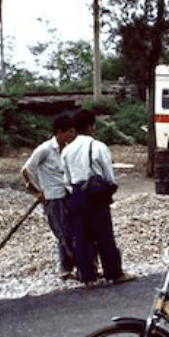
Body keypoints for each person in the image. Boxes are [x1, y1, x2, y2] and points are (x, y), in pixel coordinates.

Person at [63, 110, 132, 286]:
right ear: (90, 126)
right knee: (104, 235)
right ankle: (114, 274)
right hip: (95, 194)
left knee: (81, 236)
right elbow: (109, 176)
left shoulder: (67, 150)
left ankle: (87, 276)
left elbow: (66, 180)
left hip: (76, 194)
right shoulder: (98, 147)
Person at [22, 113, 77, 280]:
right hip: (52, 197)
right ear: (59, 132)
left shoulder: (67, 149)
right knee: (62, 233)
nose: (72, 135)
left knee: (72, 230)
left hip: (66, 193)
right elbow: (26, 170)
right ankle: (70, 265)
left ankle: (67, 267)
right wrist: (36, 191)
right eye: (69, 132)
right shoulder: (45, 149)